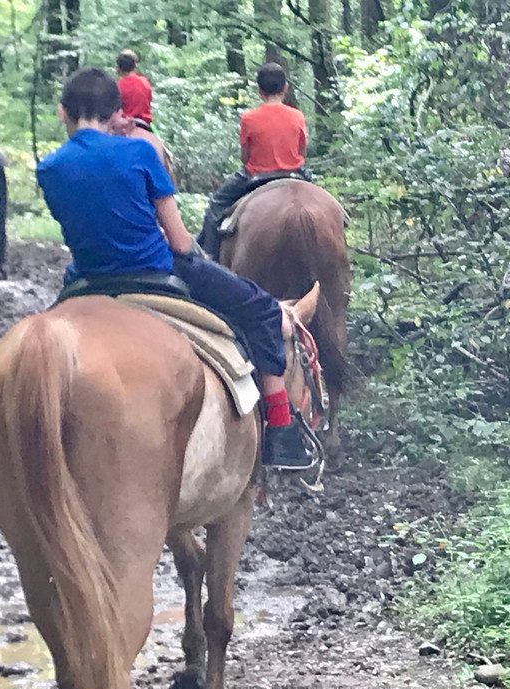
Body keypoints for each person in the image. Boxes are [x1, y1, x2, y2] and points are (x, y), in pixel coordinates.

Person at [37, 67, 313, 470]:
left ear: (63, 112)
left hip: (86, 278)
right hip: (154, 270)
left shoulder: (50, 167)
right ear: (117, 113)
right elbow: (182, 242)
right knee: (264, 310)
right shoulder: (140, 152)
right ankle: (282, 431)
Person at [197, 62, 309, 258]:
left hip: (257, 175)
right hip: (295, 173)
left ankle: (209, 257)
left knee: (215, 204)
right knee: (328, 204)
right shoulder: (297, 116)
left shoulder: (249, 118)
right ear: (285, 88)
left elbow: (245, 157)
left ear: (259, 91)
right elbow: (302, 151)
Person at [116, 49, 153, 130]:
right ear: (135, 66)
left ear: (118, 68)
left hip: (126, 124)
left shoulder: (118, 86)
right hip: (144, 123)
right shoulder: (145, 81)